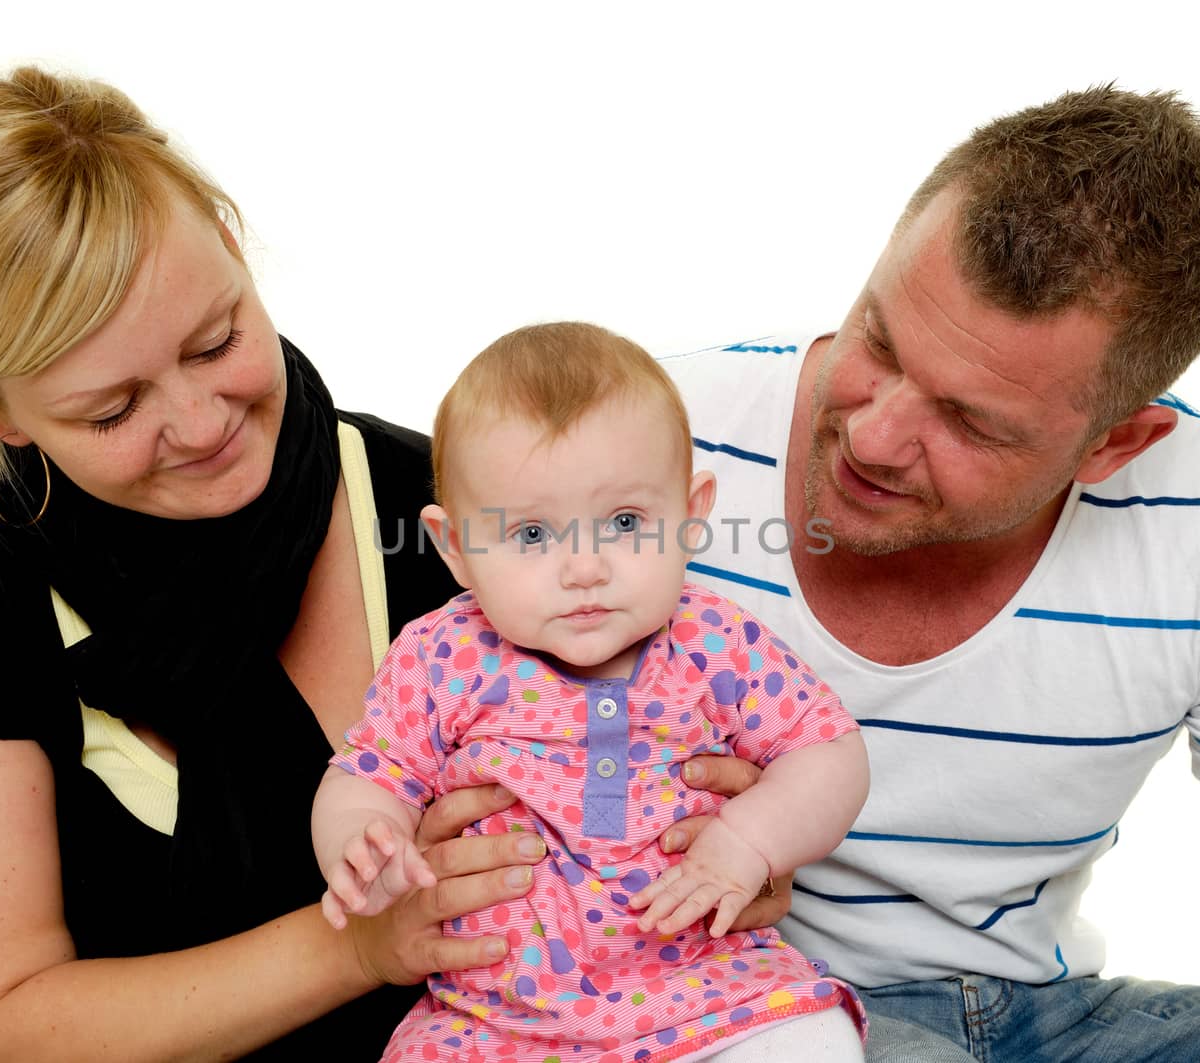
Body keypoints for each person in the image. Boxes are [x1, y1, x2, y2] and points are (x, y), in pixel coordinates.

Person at [0, 65, 561, 1061]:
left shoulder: (449, 509)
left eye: (216, 341)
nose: (202, 422)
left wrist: (720, 849)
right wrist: (353, 949)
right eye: (115, 409)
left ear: (231, 244)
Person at [662, 86, 1200, 1061]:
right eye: (877, 340)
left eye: (968, 421)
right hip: (753, 1008)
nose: (874, 435)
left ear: (1114, 444)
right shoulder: (652, 447)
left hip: (1048, 1020)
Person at [313, 322, 871, 1062]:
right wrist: (362, 844)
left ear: (691, 513)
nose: (585, 567)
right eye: (533, 535)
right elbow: (366, 776)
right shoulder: (440, 657)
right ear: (456, 549)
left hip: (710, 986)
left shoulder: (712, 642)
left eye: (625, 522)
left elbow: (829, 750)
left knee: (815, 1041)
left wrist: (748, 839)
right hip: (499, 1015)